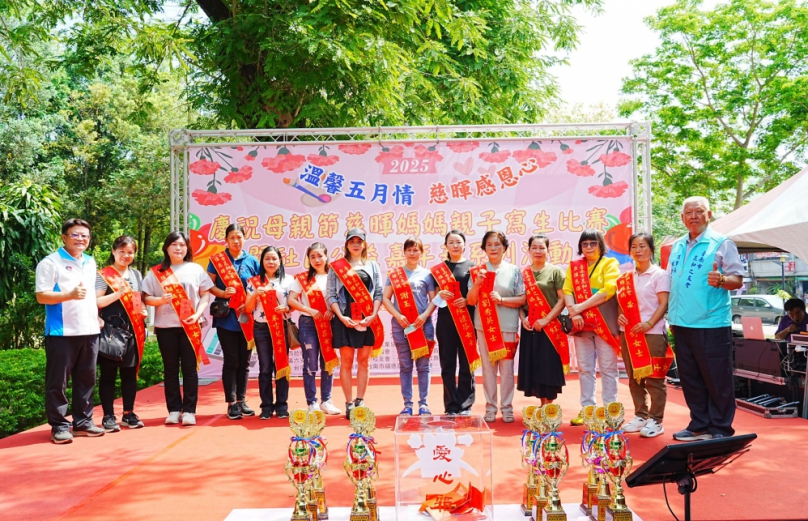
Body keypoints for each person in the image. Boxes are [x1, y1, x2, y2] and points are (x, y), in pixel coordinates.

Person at [667, 196, 744, 441]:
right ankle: (699, 424)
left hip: (711, 323)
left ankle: (721, 428)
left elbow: (737, 279)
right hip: (681, 323)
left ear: (709, 214)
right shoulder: (677, 246)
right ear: (682, 218)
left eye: (699, 211)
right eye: (689, 212)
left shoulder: (721, 243)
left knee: (716, 377)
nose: (694, 216)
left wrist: (721, 280)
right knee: (690, 378)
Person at [35, 218, 105, 444]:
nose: (81, 239)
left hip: (90, 330)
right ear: (64, 237)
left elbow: (90, 295)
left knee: (87, 379)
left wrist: (96, 316)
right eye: (75, 234)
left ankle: (83, 422)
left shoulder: (90, 261)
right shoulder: (50, 263)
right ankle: (59, 426)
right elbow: (41, 296)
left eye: (85, 235)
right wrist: (69, 295)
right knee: (58, 382)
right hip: (62, 332)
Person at [142, 231, 213, 426]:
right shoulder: (157, 271)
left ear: (187, 248)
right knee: (170, 369)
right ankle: (174, 410)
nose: (178, 248)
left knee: (189, 369)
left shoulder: (195, 269)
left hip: (190, 325)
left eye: (182, 245)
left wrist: (198, 315)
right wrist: (160, 300)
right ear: (166, 248)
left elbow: (205, 295)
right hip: (166, 327)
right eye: (174, 244)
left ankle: (189, 410)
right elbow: (146, 297)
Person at [563, 228, 621, 426]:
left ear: (600, 245)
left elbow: (608, 290)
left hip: (604, 323)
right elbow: (567, 290)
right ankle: (588, 409)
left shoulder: (609, 263)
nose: (588, 247)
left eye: (593, 243)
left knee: (608, 368)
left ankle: (611, 411)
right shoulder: (574, 267)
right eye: (585, 244)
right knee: (585, 368)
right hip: (582, 325)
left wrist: (580, 307)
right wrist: (575, 313)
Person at [467, 230, 525, 423]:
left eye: (497, 244)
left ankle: (507, 408)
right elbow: (471, 301)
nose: (493, 248)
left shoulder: (514, 270)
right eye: (489, 245)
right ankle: (490, 408)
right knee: (488, 369)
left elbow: (522, 299)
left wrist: (502, 300)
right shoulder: (477, 271)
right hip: (484, 327)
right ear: (484, 248)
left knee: (507, 370)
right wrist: (477, 284)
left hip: (508, 326)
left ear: (505, 248)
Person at [616, 233, 671, 438]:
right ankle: (640, 415)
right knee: (634, 377)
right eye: (634, 246)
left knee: (654, 379)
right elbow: (622, 305)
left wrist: (649, 323)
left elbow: (663, 303)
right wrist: (621, 316)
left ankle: (656, 419)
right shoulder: (625, 278)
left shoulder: (660, 275)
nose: (638, 250)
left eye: (642, 246)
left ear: (651, 249)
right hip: (629, 334)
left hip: (652, 333)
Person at [326, 228, 384, 419]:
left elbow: (378, 292)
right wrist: (341, 317)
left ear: (364, 244)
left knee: (364, 361)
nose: (356, 245)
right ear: (347, 244)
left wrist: (373, 315)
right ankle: (349, 403)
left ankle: (360, 401)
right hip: (345, 318)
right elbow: (331, 295)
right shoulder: (337, 267)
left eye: (359, 241)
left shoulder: (372, 265)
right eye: (352, 241)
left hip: (367, 318)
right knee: (347, 361)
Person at [206, 224, 261, 420]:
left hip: (247, 317)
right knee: (231, 360)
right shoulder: (217, 260)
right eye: (232, 238)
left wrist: (249, 302)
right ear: (226, 240)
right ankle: (231, 403)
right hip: (226, 318)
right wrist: (223, 293)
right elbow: (208, 285)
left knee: (244, 362)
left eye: (239, 237)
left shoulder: (252, 261)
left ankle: (241, 400)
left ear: (244, 238)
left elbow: (259, 285)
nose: (236, 241)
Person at [95, 235, 148, 431]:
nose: (126, 255)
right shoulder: (103, 275)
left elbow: (137, 299)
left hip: (132, 330)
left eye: (130, 252)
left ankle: (128, 413)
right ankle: (108, 416)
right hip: (110, 331)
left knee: (129, 374)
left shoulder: (136, 275)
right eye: (122, 251)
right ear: (113, 251)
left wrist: (142, 310)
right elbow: (96, 302)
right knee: (108, 375)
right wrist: (118, 294)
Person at [383, 237, 438, 415]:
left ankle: (423, 404)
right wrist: (398, 316)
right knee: (405, 366)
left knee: (423, 366)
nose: (412, 253)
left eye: (416, 250)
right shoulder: (395, 274)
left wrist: (424, 315)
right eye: (409, 250)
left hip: (423, 325)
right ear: (404, 252)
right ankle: (407, 404)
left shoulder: (427, 275)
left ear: (421, 252)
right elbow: (385, 298)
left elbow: (434, 299)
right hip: (401, 326)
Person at [288, 243, 342, 415]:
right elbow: (291, 299)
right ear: (308, 259)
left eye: (320, 256)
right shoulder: (303, 278)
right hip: (308, 323)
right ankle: (312, 402)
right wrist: (309, 309)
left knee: (328, 361)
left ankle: (327, 401)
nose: (317, 260)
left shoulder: (334, 276)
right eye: (313, 257)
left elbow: (341, 298)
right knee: (310, 363)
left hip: (329, 322)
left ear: (326, 256)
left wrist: (332, 310)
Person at [517, 234, 568, 406]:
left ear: (548, 250)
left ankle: (549, 405)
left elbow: (562, 299)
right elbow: (520, 300)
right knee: (535, 365)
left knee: (549, 365)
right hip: (530, 326)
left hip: (551, 326)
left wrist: (546, 319)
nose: (538, 251)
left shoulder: (556, 271)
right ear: (528, 250)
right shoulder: (523, 273)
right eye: (534, 247)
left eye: (541, 248)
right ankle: (542, 404)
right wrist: (522, 318)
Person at [431, 230, 477, 416]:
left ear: (464, 244)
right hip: (446, 321)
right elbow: (434, 297)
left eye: (458, 242)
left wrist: (467, 301)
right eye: (451, 242)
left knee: (467, 363)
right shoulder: (439, 270)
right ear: (446, 246)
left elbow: (477, 295)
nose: (455, 245)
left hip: (467, 320)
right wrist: (439, 294)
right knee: (447, 364)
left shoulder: (473, 267)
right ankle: (451, 405)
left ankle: (465, 404)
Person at [245, 246, 294, 420]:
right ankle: (266, 406)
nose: (271, 262)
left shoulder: (289, 280)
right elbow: (248, 308)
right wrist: (254, 295)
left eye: (274, 258)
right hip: (261, 327)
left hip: (281, 326)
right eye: (267, 259)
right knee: (265, 367)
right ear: (262, 261)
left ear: (280, 261)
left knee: (281, 365)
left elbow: (294, 304)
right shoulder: (254, 281)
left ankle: (282, 405)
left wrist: (287, 308)